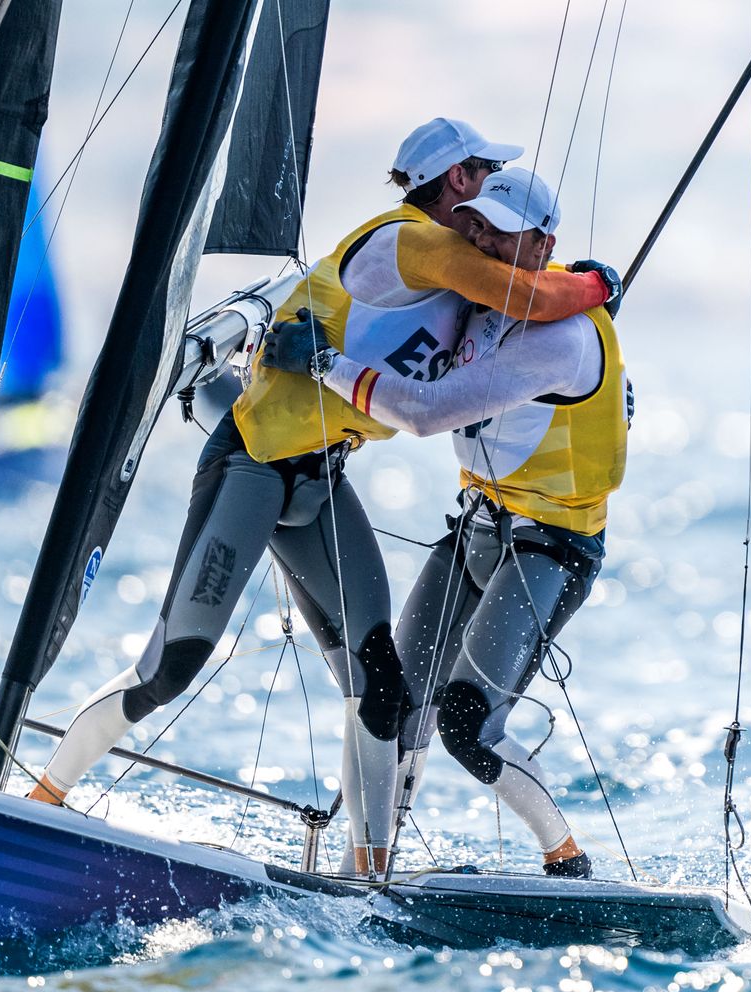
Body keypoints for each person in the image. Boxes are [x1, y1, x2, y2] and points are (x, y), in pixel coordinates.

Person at [31, 119, 618, 879]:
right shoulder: (418, 244)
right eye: (479, 177)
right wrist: (600, 282)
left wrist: (588, 301)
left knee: (381, 686)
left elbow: (522, 320)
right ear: (458, 183)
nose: (482, 213)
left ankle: (364, 874)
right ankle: (41, 798)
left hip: (320, 480)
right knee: (171, 665)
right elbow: (529, 298)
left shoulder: (454, 281)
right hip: (252, 469)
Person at [261, 167, 626, 879]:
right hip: (479, 528)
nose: (482, 238)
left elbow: (425, 414)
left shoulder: (563, 341)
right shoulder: (483, 293)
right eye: (479, 223)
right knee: (398, 699)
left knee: (466, 726)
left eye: (503, 231)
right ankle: (373, 865)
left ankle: (567, 858)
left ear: (543, 243)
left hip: (551, 547)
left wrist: (325, 363)